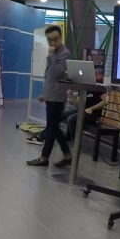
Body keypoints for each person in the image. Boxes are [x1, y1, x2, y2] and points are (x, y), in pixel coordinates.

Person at [27, 25, 72, 168]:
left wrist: (51, 56)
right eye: (49, 40)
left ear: (61, 37)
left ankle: (44, 157)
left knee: (52, 129)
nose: (53, 42)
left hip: (57, 98)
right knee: (54, 128)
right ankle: (67, 155)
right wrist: (44, 93)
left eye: (56, 39)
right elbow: (49, 77)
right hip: (51, 96)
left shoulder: (64, 54)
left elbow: (57, 73)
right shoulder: (54, 52)